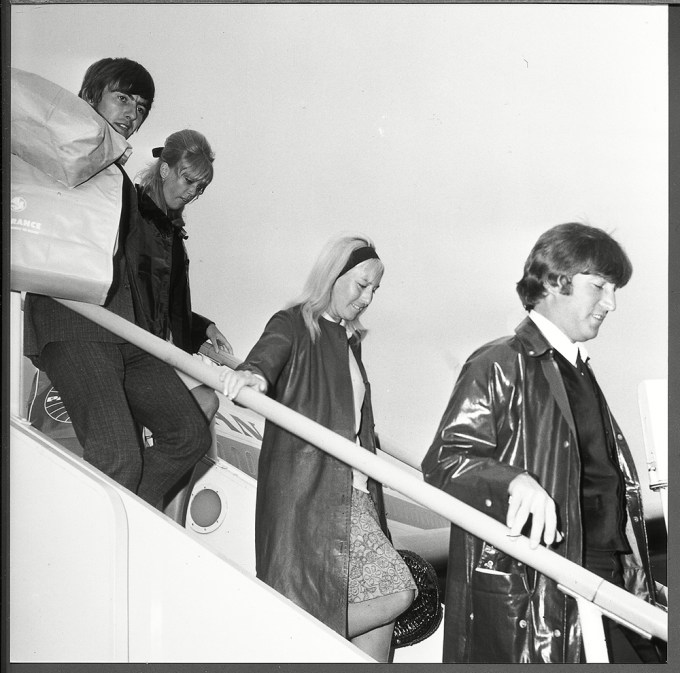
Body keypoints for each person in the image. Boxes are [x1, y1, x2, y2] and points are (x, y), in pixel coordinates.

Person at [421, 222, 664, 663]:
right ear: (555, 281)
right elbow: (444, 461)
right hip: (547, 586)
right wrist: (512, 481)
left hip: (603, 578)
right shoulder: (497, 363)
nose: (610, 303)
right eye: (600, 286)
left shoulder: (579, 369)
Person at [23, 58, 212, 509]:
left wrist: (197, 329)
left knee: (187, 435)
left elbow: (149, 279)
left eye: (141, 106)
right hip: (75, 323)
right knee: (118, 456)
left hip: (125, 331)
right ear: (90, 97)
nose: (132, 113)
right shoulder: (59, 152)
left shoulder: (118, 181)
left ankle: (129, 525)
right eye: (122, 97)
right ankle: (95, 556)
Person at [224, 235, 415, 662]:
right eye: (361, 284)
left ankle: (302, 636)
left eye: (374, 291)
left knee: (379, 628)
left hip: (360, 493)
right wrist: (253, 376)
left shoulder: (350, 343)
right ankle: (294, 640)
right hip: (318, 493)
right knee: (399, 590)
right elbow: (264, 361)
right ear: (334, 274)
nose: (367, 298)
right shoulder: (295, 322)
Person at [130, 129, 232, 423]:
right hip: (138, 347)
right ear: (164, 169)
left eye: (200, 188)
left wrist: (203, 327)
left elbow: (163, 297)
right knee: (203, 404)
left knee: (204, 405)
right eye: (188, 180)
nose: (192, 193)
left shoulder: (169, 230)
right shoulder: (133, 214)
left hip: (161, 347)